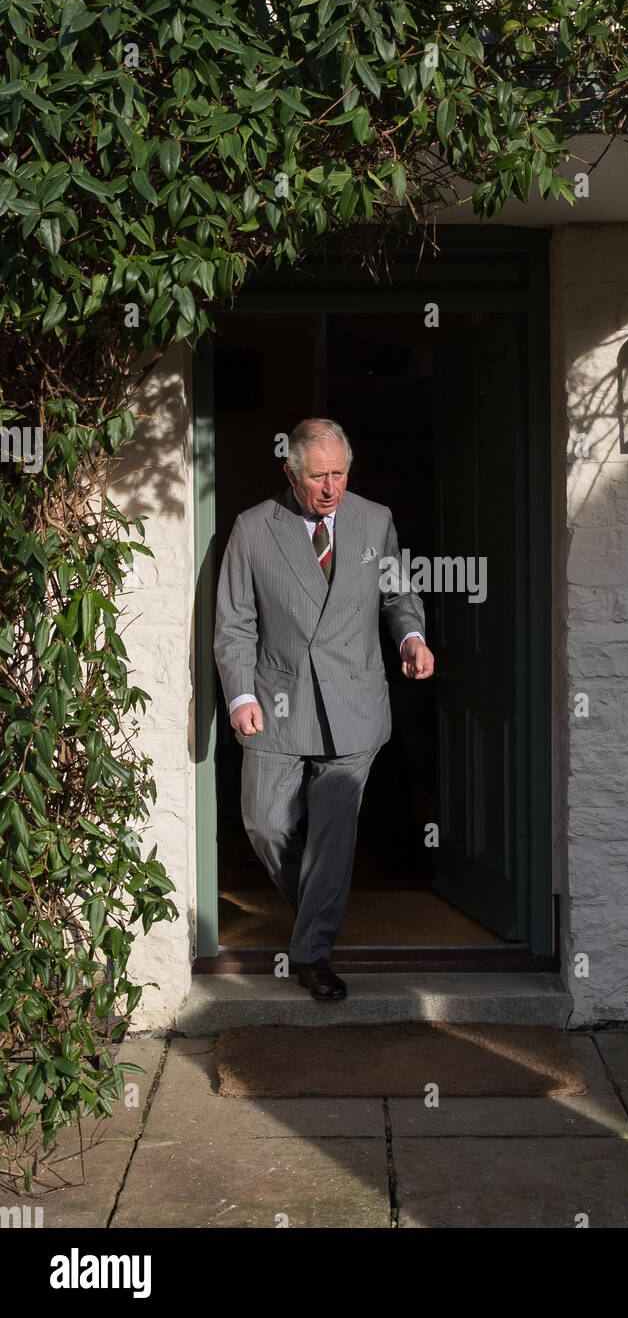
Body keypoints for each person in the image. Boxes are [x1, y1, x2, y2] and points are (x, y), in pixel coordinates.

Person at [214, 418, 434, 999]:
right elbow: (235, 623)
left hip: (354, 703)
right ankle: (318, 909)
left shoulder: (374, 520)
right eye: (317, 477)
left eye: (339, 473)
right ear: (290, 472)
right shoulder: (254, 528)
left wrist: (411, 638)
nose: (330, 487)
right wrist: (240, 695)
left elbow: (398, 593)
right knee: (265, 824)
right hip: (277, 703)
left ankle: (313, 953)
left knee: (333, 837)